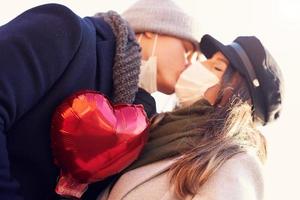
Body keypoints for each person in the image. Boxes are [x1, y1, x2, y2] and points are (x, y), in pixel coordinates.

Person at [0, 0, 201, 199]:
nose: (189, 64)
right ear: (153, 30)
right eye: (187, 50)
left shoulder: (141, 119)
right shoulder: (64, 29)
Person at [97, 34, 284, 200]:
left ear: (239, 98)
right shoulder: (154, 129)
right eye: (207, 60)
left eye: (217, 67)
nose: (199, 65)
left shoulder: (234, 163)